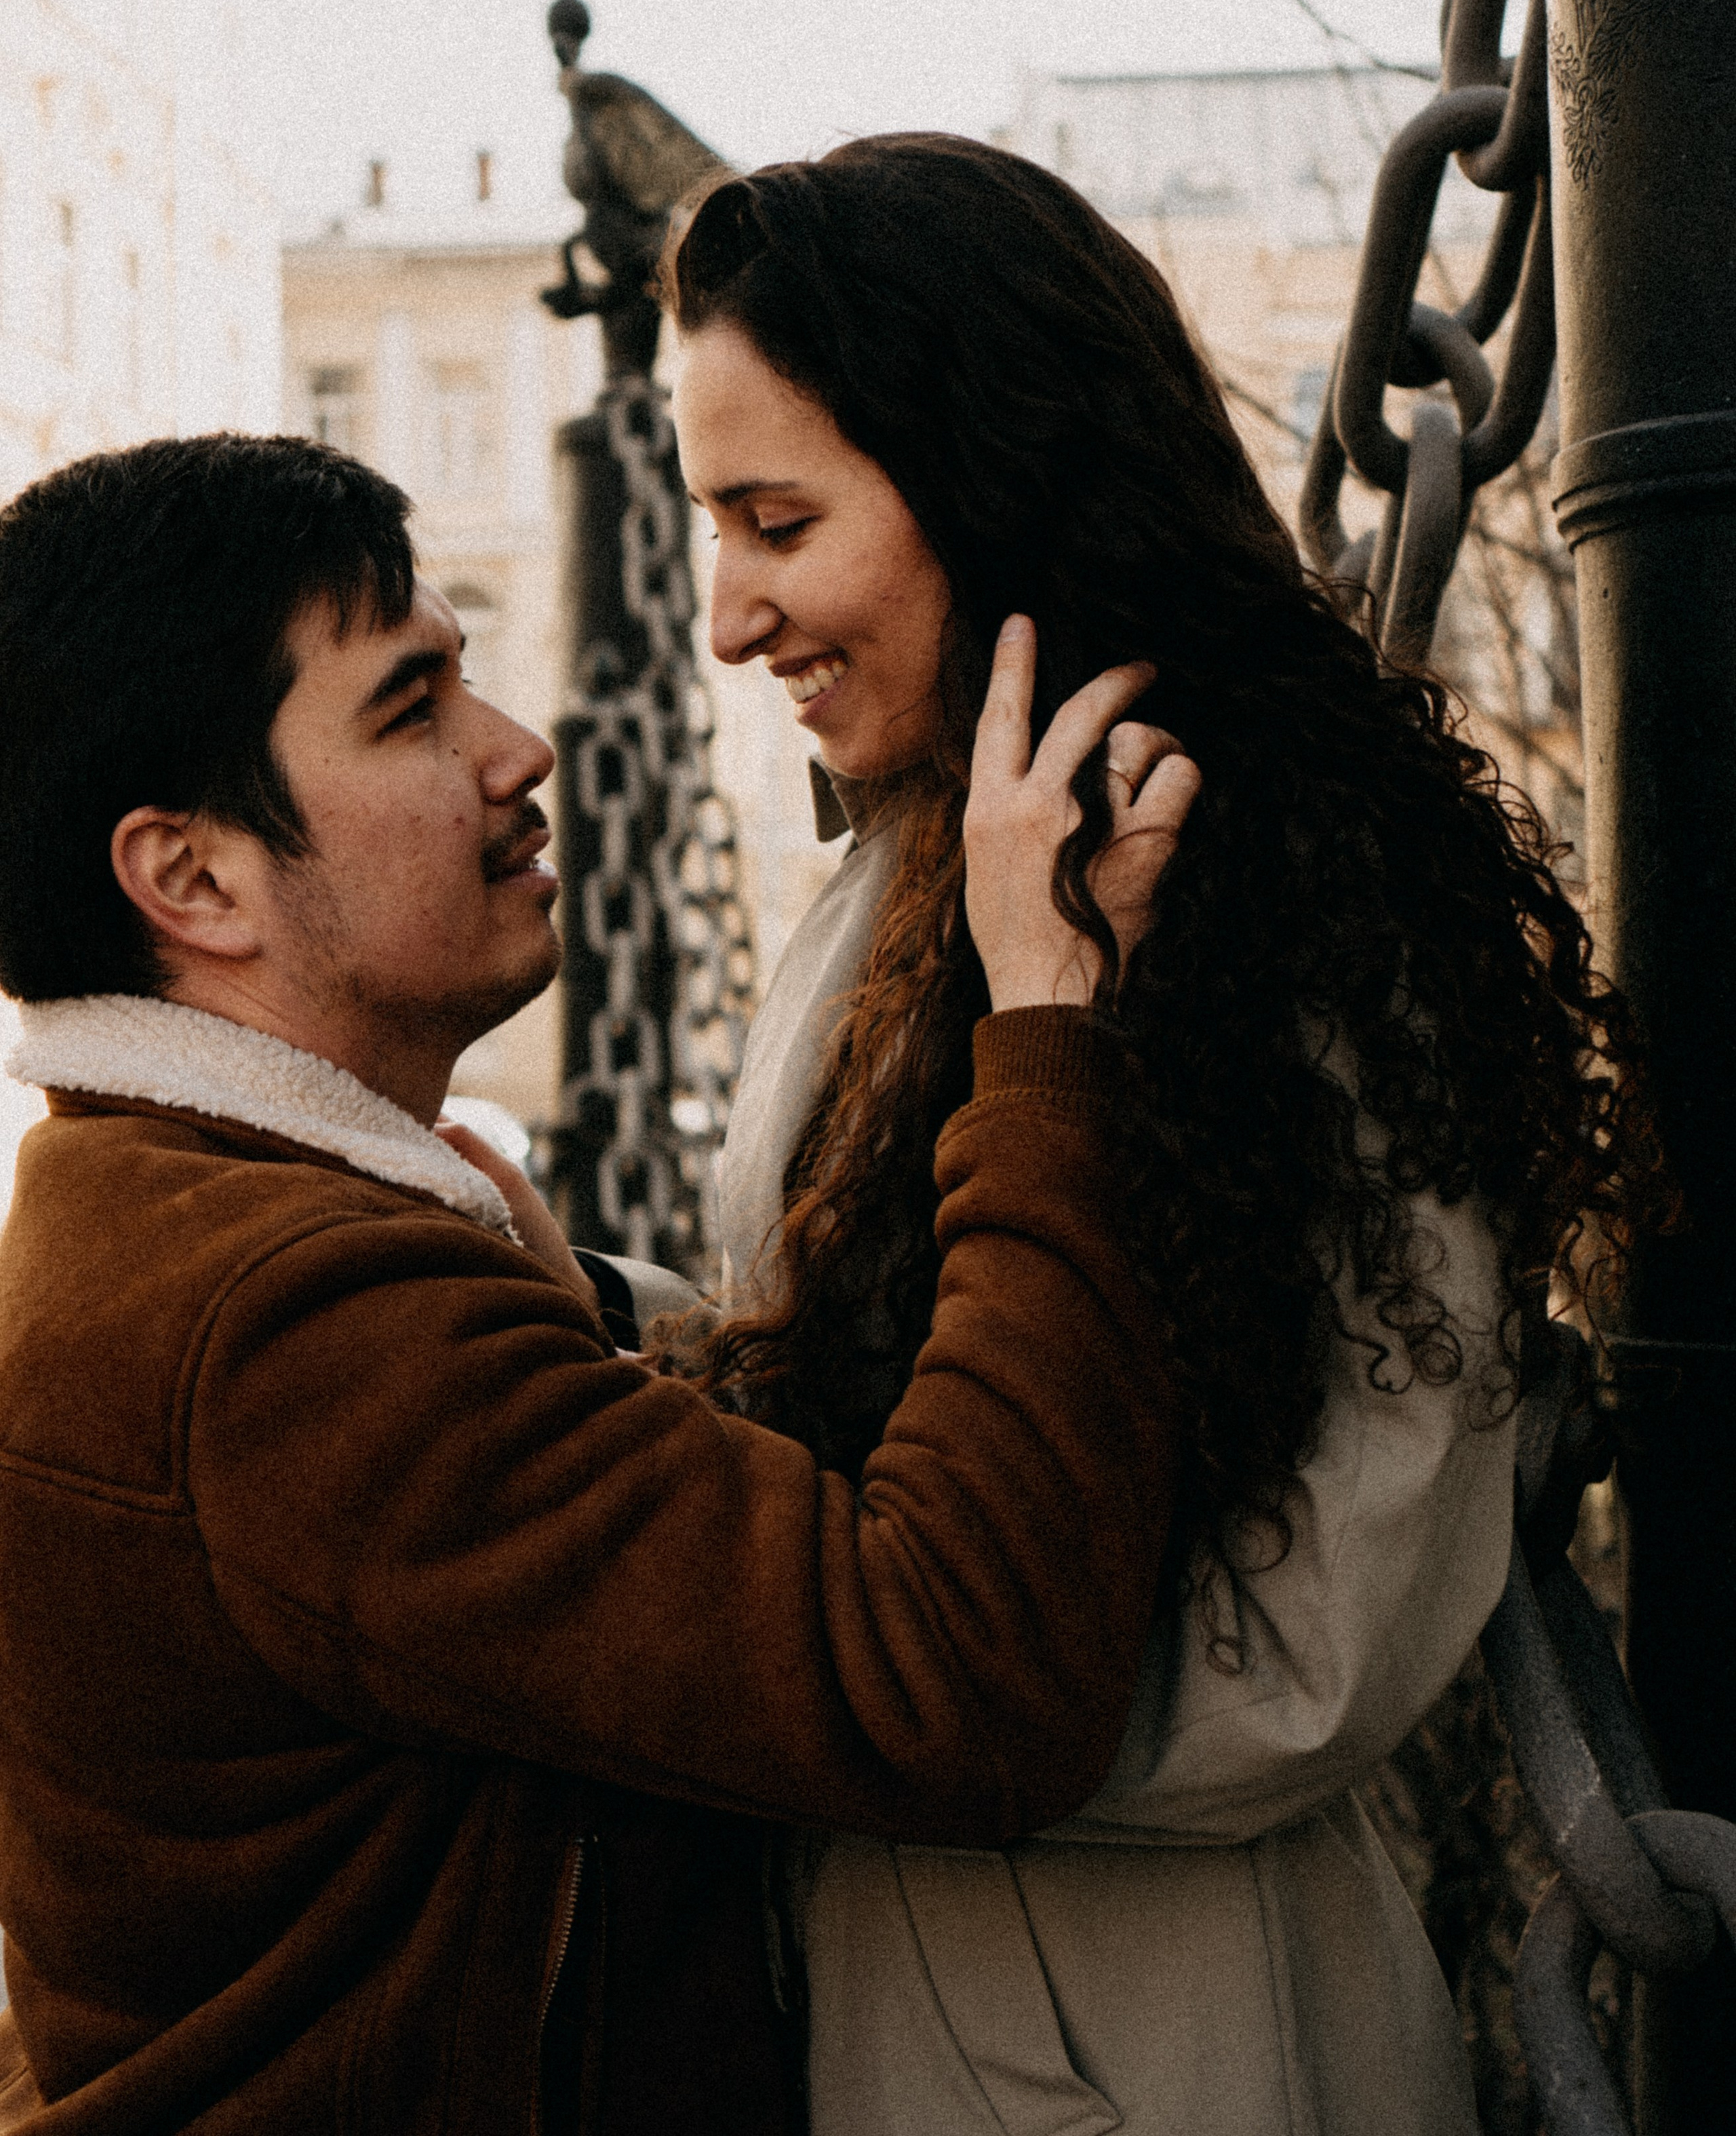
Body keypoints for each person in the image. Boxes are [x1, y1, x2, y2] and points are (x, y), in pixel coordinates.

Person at [636, 133, 1663, 2136]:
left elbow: (1315, 1647)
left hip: (1159, 2040)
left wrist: (818, 1662)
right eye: (711, 526)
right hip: (906, 1983)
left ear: (984, 480)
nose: (728, 617)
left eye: (778, 522)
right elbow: (866, 1364)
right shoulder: (913, 870)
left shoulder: (1287, 909)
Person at [0, 432, 1201, 2135]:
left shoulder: (138, 1216)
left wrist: (588, 1344)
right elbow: (962, 1681)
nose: (516, 748)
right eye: (411, 710)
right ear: (192, 877)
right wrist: (1047, 1028)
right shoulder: (293, 1320)